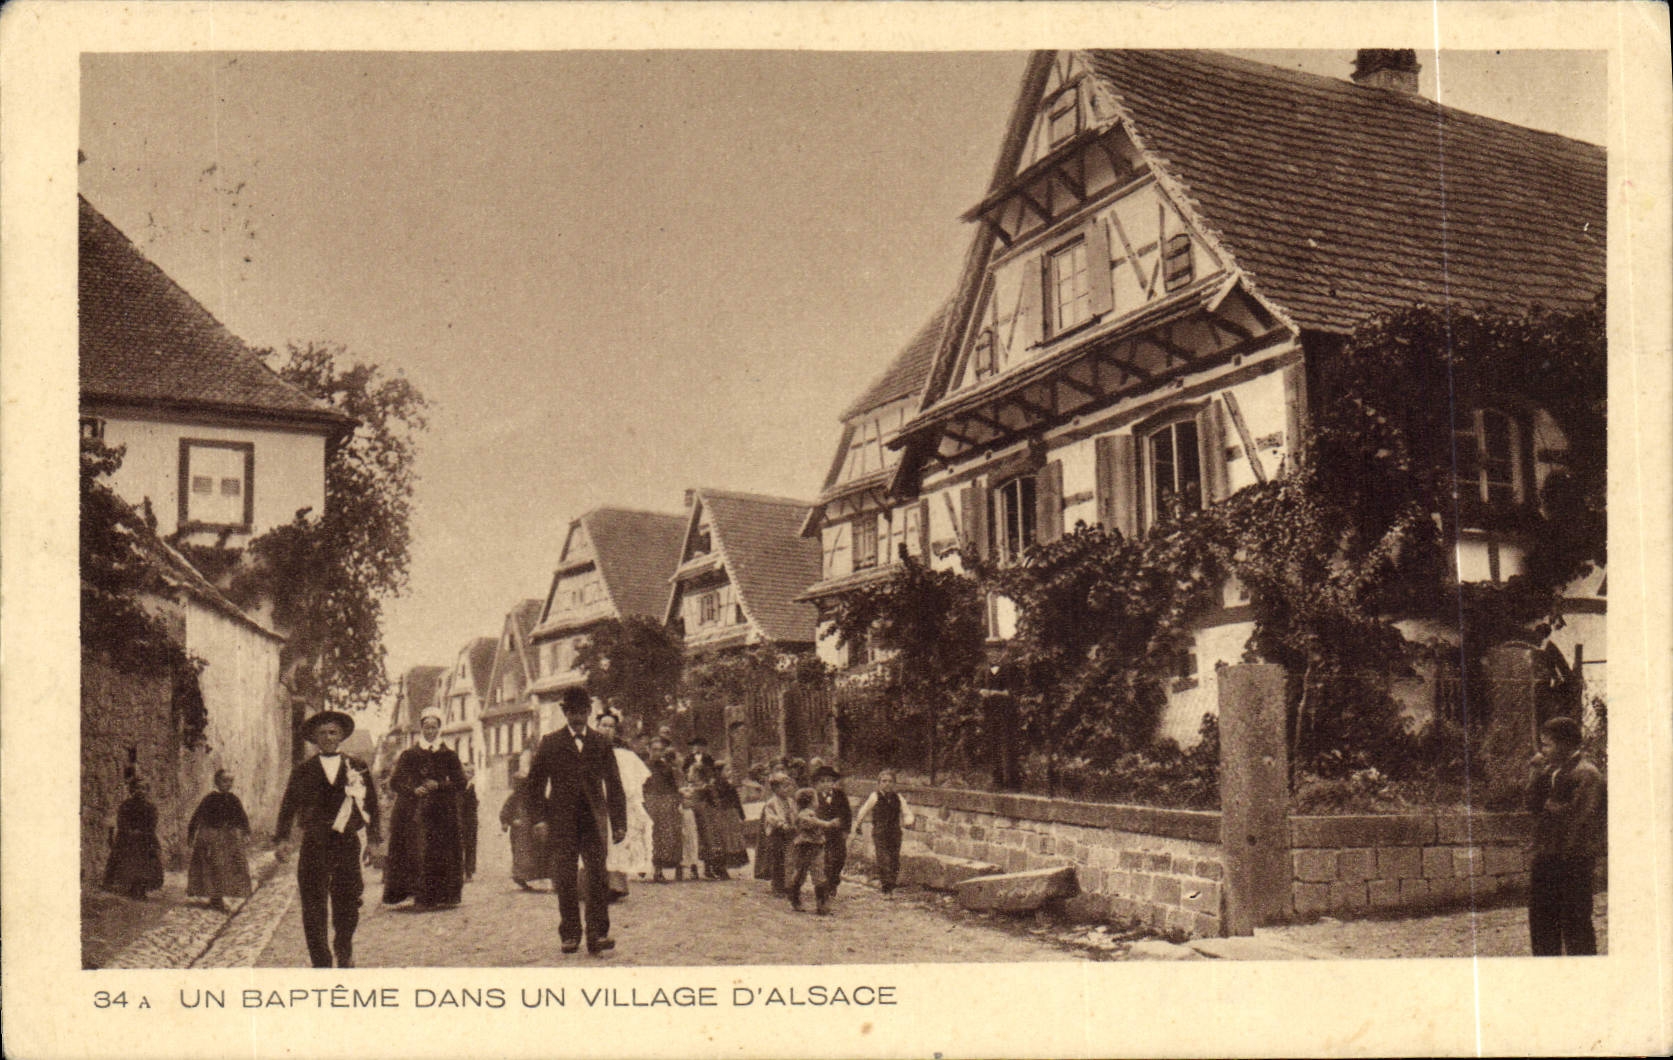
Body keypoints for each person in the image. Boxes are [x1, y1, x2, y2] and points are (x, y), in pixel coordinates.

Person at [275, 710, 380, 968]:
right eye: (322, 733)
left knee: (349, 899)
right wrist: (282, 838)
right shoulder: (303, 771)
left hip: (346, 842)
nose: (328, 737)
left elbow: (371, 804)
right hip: (315, 843)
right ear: (314, 738)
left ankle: (344, 947)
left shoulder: (357, 766)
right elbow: (289, 805)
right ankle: (320, 960)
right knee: (313, 903)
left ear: (342, 735)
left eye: (333, 732)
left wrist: (374, 841)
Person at [526, 687, 627, 956]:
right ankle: (570, 933)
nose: (578, 717)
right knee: (566, 878)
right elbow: (534, 785)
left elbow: (614, 784)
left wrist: (619, 823)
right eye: (572, 712)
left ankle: (598, 934)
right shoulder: (551, 742)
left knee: (598, 876)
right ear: (565, 713)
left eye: (582, 712)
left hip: (593, 820)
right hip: (562, 821)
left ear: (589, 712)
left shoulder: (601, 743)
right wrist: (539, 819)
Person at [1526, 715, 1605, 956]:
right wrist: (1536, 773)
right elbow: (1532, 804)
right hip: (1547, 856)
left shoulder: (1587, 774)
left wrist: (1551, 808)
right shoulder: (1551, 770)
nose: (1543, 751)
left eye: (1547, 745)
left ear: (1565, 744)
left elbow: (1581, 818)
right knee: (1542, 921)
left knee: (1575, 923)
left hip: (1573, 860)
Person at [382, 708, 466, 909]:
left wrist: (440, 785)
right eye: (427, 727)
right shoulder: (410, 754)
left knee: (441, 851)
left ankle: (441, 895)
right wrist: (413, 790)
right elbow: (395, 782)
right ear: (421, 729)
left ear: (439, 729)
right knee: (417, 850)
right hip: (415, 810)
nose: (430, 731)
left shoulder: (449, 755)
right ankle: (419, 894)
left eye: (434, 727)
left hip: (442, 811)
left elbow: (461, 783)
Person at [596, 712, 652, 899]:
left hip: (616, 804)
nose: (607, 729)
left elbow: (635, 782)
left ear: (615, 730)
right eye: (603, 725)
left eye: (611, 726)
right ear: (597, 727)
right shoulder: (587, 749)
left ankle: (615, 886)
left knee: (616, 844)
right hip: (594, 802)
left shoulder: (624, 755)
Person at [187, 769, 253, 911]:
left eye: (231, 781)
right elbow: (197, 816)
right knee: (214, 866)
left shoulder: (234, 799)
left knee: (228, 867)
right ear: (217, 781)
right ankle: (215, 898)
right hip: (212, 837)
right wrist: (191, 834)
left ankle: (222, 896)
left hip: (229, 838)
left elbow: (242, 817)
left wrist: (246, 832)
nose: (228, 784)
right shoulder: (209, 799)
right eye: (225, 780)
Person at [852, 768, 915, 896]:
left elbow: (907, 812)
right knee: (883, 859)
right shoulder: (874, 796)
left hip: (895, 833)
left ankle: (892, 884)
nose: (887, 784)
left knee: (894, 859)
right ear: (879, 783)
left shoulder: (898, 798)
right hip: (880, 832)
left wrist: (909, 821)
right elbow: (863, 810)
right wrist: (858, 824)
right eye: (884, 781)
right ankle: (886, 888)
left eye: (890, 781)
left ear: (894, 783)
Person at [104, 776, 164, 900]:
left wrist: (142, 832)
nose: (140, 791)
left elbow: (152, 822)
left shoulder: (150, 807)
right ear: (131, 790)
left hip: (145, 839)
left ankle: (141, 889)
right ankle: (128, 887)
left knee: (145, 864)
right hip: (127, 838)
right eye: (137, 788)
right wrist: (129, 831)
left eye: (143, 788)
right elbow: (121, 820)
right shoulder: (126, 805)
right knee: (128, 863)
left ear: (147, 790)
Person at [786, 787, 843, 914]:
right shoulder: (805, 814)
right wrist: (829, 824)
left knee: (817, 873)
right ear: (811, 802)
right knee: (802, 873)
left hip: (816, 846)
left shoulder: (810, 813)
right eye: (816, 799)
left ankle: (820, 904)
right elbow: (812, 822)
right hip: (805, 847)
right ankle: (797, 898)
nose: (817, 802)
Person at [642, 738, 686, 883]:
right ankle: (644, 866)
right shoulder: (642, 766)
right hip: (648, 802)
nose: (658, 753)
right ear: (648, 749)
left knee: (663, 836)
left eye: (660, 750)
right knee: (648, 835)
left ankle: (659, 869)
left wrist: (676, 801)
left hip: (665, 804)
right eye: (654, 750)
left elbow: (673, 788)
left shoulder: (667, 768)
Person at [500, 768, 548, 890]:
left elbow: (543, 808)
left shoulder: (533, 796)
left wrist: (541, 821)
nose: (520, 785)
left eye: (523, 782)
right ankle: (519, 877)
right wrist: (508, 821)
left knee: (534, 853)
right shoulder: (513, 798)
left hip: (531, 830)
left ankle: (533, 876)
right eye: (518, 782)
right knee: (520, 854)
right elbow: (505, 811)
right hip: (519, 832)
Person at [812, 764, 852, 897]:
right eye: (822, 781)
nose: (826, 784)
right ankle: (827, 885)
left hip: (838, 833)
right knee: (824, 859)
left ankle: (834, 880)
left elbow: (847, 813)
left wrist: (846, 830)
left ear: (833, 782)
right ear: (817, 783)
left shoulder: (840, 795)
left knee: (839, 857)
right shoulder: (814, 796)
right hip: (821, 833)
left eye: (829, 781)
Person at [756, 772, 796, 894]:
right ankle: (777, 886)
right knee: (777, 860)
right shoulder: (771, 803)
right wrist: (781, 824)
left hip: (788, 834)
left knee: (788, 859)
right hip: (776, 834)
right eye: (784, 786)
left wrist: (795, 823)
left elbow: (794, 813)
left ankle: (788, 884)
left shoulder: (791, 801)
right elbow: (771, 818)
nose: (788, 789)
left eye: (789, 786)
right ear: (775, 788)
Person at [459, 763, 480, 883]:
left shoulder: (472, 787)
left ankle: (469, 872)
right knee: (459, 846)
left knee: (470, 846)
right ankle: (459, 871)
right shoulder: (457, 787)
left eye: (470, 772)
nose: (467, 775)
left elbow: (475, 803)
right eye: (465, 772)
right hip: (459, 820)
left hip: (470, 820)